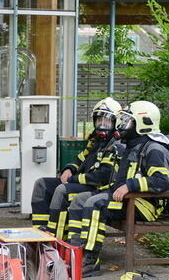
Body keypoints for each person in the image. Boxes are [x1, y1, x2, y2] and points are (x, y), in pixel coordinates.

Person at [67, 101, 169, 277]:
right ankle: (75, 252)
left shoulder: (154, 148)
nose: (122, 125)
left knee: (95, 203)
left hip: (143, 205)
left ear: (143, 124)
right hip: (126, 199)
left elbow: (161, 180)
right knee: (80, 200)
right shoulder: (132, 145)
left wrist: (130, 186)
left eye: (127, 121)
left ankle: (90, 260)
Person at [30, 97, 124, 238]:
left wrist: (74, 179)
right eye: (99, 120)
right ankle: (39, 232)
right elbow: (80, 159)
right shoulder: (95, 141)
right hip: (82, 182)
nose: (102, 124)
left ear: (116, 122)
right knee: (41, 184)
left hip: (96, 188)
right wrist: (69, 169)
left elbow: (103, 177)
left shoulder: (117, 145)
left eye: (107, 121)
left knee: (62, 190)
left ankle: (56, 236)